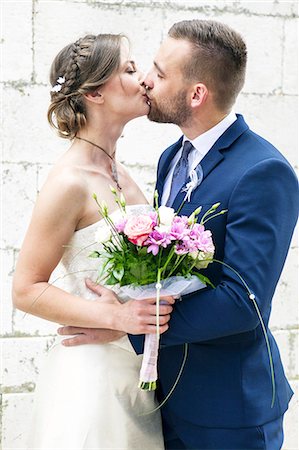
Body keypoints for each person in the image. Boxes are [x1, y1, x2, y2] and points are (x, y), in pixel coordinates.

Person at [59, 20, 299, 450]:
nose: (147, 80)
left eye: (159, 72)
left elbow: (241, 303)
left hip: (230, 411)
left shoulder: (263, 171)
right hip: (164, 400)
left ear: (196, 95)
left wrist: (129, 328)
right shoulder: (172, 157)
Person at [12, 33, 174, 449]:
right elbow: (25, 289)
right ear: (95, 94)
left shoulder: (122, 172)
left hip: (135, 375)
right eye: (129, 69)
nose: (144, 80)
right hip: (91, 379)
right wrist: (117, 319)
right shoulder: (69, 181)